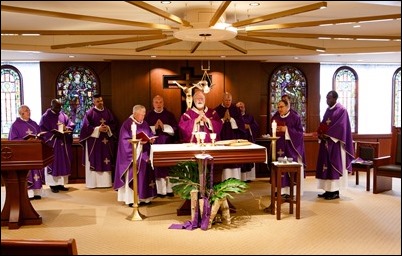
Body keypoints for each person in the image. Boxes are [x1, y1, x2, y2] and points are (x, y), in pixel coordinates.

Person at [114, 105, 157, 207]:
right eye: (142, 114)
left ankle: (145, 198)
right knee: (134, 175)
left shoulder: (145, 123)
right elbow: (124, 142)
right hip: (133, 156)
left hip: (144, 154)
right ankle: (132, 199)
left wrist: (150, 139)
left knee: (145, 174)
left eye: (144, 114)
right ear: (135, 113)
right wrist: (138, 143)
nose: (144, 116)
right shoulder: (127, 124)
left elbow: (149, 134)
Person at [316, 90, 354, 200]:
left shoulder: (342, 110)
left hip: (335, 144)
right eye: (326, 98)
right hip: (325, 142)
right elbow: (323, 124)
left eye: (329, 98)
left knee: (333, 166)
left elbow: (341, 127)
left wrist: (328, 135)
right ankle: (328, 190)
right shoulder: (328, 111)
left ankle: (335, 191)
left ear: (335, 98)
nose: (327, 100)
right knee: (325, 166)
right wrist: (321, 134)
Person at [79, 94, 118, 189]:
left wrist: (108, 128)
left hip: (106, 142)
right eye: (98, 101)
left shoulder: (108, 112)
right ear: (94, 102)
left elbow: (114, 124)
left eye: (101, 101)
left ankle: (106, 183)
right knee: (95, 159)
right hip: (94, 142)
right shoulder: (89, 113)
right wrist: (97, 129)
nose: (100, 103)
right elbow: (85, 128)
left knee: (106, 160)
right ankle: (93, 183)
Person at [8, 105, 45, 200]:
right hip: (23, 154)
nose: (28, 112)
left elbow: (40, 134)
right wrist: (25, 140)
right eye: (26, 110)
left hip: (34, 152)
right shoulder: (15, 125)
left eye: (29, 110)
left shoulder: (34, 123)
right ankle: (28, 194)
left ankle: (37, 192)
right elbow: (12, 140)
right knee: (28, 173)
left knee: (36, 171)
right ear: (21, 113)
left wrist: (38, 137)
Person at [144, 95, 178, 197]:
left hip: (168, 144)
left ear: (163, 103)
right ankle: (160, 191)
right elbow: (144, 129)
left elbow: (176, 128)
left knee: (168, 167)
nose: (158, 104)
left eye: (160, 102)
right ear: (153, 103)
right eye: (156, 102)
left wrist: (164, 127)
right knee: (158, 167)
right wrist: (154, 127)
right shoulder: (149, 115)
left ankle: (169, 190)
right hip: (155, 145)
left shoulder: (169, 115)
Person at [271, 99, 306, 197]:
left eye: (281, 107)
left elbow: (300, 133)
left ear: (287, 107)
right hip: (279, 146)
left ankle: (291, 191)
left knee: (289, 168)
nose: (279, 109)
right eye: (278, 107)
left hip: (291, 147)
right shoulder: (275, 117)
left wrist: (287, 130)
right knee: (279, 167)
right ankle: (281, 191)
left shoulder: (295, 117)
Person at [39, 99, 75, 193]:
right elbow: (42, 130)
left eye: (60, 107)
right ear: (51, 106)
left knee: (62, 163)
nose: (59, 109)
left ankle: (61, 184)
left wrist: (66, 128)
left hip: (63, 144)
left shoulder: (63, 115)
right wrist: (53, 134)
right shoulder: (45, 117)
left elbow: (70, 124)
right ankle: (53, 185)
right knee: (54, 163)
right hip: (53, 144)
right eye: (56, 107)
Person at [214, 92, 247, 181]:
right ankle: (224, 180)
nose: (228, 102)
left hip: (234, 138)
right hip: (222, 138)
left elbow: (241, 124)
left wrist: (231, 119)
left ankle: (236, 181)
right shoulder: (216, 110)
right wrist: (223, 119)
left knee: (234, 160)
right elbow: (214, 125)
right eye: (226, 100)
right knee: (224, 161)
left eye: (229, 100)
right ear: (222, 100)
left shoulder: (236, 109)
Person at [236, 101, 260, 182]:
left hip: (248, 141)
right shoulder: (234, 117)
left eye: (242, 107)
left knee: (247, 160)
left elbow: (256, 127)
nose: (240, 108)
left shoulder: (249, 116)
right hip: (238, 142)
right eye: (238, 107)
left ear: (244, 108)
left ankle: (248, 178)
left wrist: (249, 126)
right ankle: (240, 178)